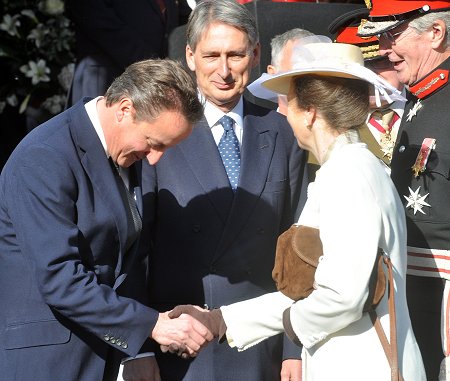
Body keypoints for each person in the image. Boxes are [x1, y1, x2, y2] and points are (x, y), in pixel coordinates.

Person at [170, 41, 426, 381]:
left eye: (288, 102)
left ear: (311, 112)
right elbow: (319, 291)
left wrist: (282, 325)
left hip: (362, 366)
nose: (283, 113)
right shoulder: (351, 167)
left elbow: (341, 298)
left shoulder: (347, 174)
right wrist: (221, 321)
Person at [125, 1, 308, 380]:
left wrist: (296, 345)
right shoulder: (160, 134)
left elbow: (300, 249)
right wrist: (136, 347)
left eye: (235, 55)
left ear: (255, 56)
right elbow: (134, 251)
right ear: (190, 56)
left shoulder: (282, 132)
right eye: (211, 55)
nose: (223, 71)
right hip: (182, 343)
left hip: (262, 344)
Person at [0, 59, 212, 381]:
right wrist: (151, 325)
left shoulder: (125, 151)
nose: (155, 158)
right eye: (154, 143)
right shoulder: (44, 156)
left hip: (97, 358)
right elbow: (61, 279)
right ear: (125, 109)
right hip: (47, 361)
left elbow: (125, 263)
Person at [357, 1, 450, 379]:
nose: (383, 49)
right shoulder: (421, 96)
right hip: (412, 289)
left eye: (394, 35)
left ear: (436, 33)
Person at [65, 0, 192, 107]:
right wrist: (152, 64)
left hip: (152, 81)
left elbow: (184, 18)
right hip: (106, 79)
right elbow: (98, 20)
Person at [329, 7, 406, 169]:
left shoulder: (429, 108)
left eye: (379, 62)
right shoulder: (330, 125)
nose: (369, 76)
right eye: (359, 67)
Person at [267, 28, 316, 115]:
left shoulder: (335, 127)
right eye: (297, 63)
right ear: (273, 73)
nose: (308, 75)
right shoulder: (260, 126)